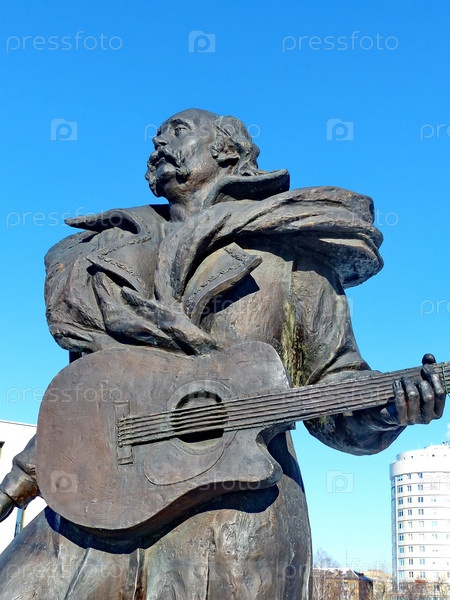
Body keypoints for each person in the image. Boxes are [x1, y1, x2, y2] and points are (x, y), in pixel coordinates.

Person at [0, 109, 445, 599]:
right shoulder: (104, 258)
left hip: (236, 516)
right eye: (157, 135)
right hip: (100, 508)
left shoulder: (291, 258)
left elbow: (332, 388)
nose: (159, 142)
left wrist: (391, 407)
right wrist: (23, 477)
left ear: (227, 151)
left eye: (178, 131)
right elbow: (89, 394)